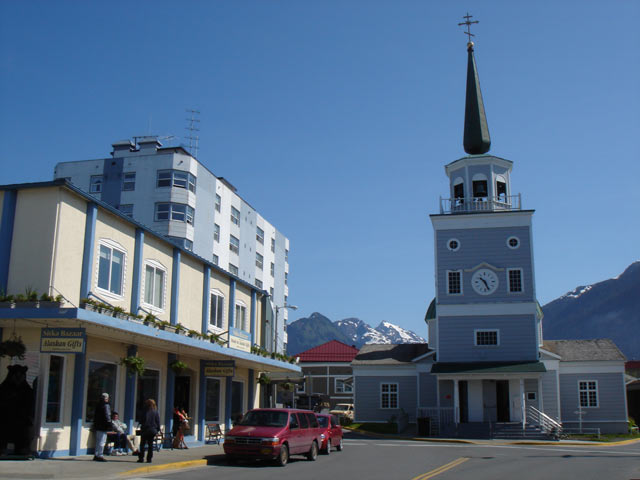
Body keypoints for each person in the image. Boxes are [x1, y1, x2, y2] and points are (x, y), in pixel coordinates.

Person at [138, 398, 160, 463]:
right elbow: (158, 421)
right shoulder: (155, 411)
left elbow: (141, 420)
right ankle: (149, 459)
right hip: (152, 430)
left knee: (142, 444)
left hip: (145, 429)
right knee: (150, 444)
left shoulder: (144, 411)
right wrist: (157, 429)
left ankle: (141, 458)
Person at [93, 393, 112, 462]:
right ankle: (100, 455)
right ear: (106, 398)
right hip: (103, 425)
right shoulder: (106, 405)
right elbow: (107, 415)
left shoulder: (98, 405)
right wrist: (109, 423)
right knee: (102, 441)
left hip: (97, 425)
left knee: (98, 441)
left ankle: (96, 454)